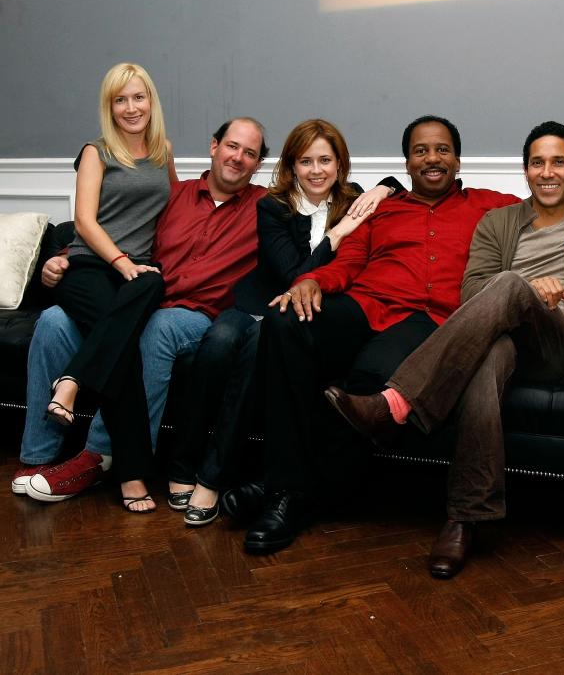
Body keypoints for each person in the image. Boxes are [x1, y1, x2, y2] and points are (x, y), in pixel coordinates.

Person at [229, 115, 519, 554]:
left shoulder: (491, 204)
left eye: (441, 149)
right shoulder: (379, 208)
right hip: (366, 305)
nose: (432, 158)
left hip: (429, 320)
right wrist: (313, 282)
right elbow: (348, 263)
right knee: (285, 322)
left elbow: (548, 205)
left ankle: (289, 493)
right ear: (407, 162)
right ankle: (286, 484)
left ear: (458, 159)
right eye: (421, 151)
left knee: (370, 376)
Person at [326, 121, 564, 578]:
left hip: (559, 338)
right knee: (487, 355)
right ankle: (465, 517)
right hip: (504, 337)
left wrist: (538, 293)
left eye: (558, 162)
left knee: (509, 283)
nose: (547, 172)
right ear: (526, 171)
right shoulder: (500, 220)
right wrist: (526, 291)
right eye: (536, 163)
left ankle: (395, 400)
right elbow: (473, 295)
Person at [13, 118, 269, 512]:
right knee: (54, 322)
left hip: (194, 316)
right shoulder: (172, 195)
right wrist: (64, 258)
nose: (239, 157)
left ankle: (102, 455)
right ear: (214, 146)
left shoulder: (266, 208)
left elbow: (325, 194)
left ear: (257, 164)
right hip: (140, 301)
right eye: (232, 146)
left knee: (159, 328)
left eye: (250, 153)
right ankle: (37, 457)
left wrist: (383, 189)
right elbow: (122, 235)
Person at [165, 119, 398, 525]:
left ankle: (212, 477)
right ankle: (183, 465)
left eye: (325, 160)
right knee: (217, 343)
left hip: (294, 318)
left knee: (257, 348)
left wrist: (384, 186)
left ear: (340, 164)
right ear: (291, 166)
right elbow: (295, 274)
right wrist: (338, 234)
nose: (316, 170)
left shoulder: (355, 197)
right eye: (305, 161)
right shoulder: (272, 206)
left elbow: (403, 186)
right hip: (255, 303)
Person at [40, 62, 176, 512]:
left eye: (139, 97)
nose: (131, 107)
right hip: (90, 267)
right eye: (121, 100)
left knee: (151, 281)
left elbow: (174, 216)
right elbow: (83, 221)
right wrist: (120, 263)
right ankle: (133, 476)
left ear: (151, 101)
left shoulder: (163, 153)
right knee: (122, 357)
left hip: (137, 275)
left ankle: (73, 381)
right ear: (110, 106)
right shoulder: (96, 152)